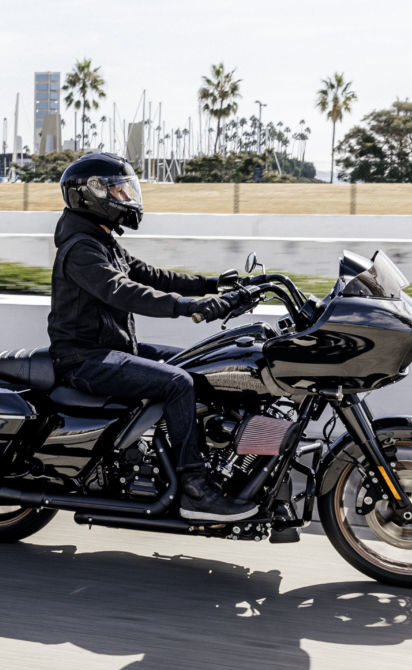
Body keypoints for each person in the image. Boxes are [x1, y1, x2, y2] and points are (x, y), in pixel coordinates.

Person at [47, 152, 259, 522]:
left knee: (201, 364)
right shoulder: (81, 248)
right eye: (119, 190)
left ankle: (209, 462)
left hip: (112, 348)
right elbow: (122, 291)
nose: (127, 198)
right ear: (94, 194)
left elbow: (149, 275)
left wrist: (213, 284)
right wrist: (187, 306)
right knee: (178, 383)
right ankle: (194, 487)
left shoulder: (99, 238)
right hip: (84, 359)